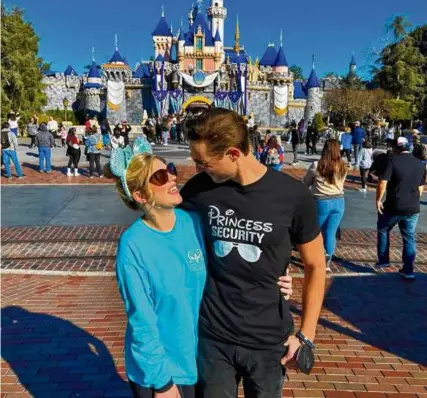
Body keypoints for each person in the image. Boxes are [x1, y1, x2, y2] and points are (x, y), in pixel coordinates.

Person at [107, 138, 294, 398]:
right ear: (140, 195)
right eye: (160, 176)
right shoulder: (134, 244)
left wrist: (278, 277)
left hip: (203, 360)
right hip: (161, 372)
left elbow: (232, 262)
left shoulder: (194, 222)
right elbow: (142, 321)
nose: (173, 177)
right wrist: (162, 383)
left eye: (170, 169)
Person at [182, 108, 326, 398]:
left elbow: (316, 265)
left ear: (234, 154)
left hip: (268, 341)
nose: (198, 169)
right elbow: (167, 233)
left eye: (204, 163)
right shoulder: (198, 190)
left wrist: (306, 336)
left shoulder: (292, 196)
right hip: (213, 337)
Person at [376, 137, 426, 280]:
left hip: (394, 205)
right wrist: (415, 198)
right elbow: (421, 187)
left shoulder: (392, 160)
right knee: (409, 237)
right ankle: (408, 269)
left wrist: (379, 200)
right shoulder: (420, 164)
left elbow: (382, 182)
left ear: (397, 148)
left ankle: (384, 260)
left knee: (383, 229)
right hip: (412, 207)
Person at [303, 139, 347, 272]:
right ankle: (326, 262)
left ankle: (314, 259)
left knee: (315, 232)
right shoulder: (343, 165)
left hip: (321, 201)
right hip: (339, 201)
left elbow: (306, 182)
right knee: (330, 232)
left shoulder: (317, 165)